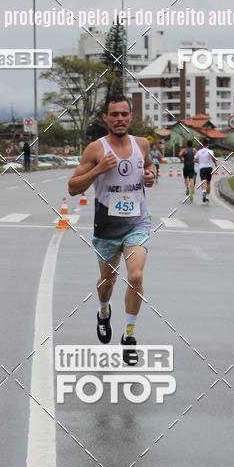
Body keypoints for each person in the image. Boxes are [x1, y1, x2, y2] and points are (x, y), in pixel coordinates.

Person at [68, 95, 155, 365]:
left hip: (137, 223)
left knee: (136, 276)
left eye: (124, 114)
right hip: (107, 227)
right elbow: (73, 187)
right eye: (114, 114)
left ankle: (129, 336)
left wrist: (151, 175)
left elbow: (149, 167)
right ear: (105, 118)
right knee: (107, 283)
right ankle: (104, 311)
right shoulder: (95, 149)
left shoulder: (142, 144)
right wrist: (99, 170)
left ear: (131, 116)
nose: (119, 119)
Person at [194, 137, 215, 203]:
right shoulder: (210, 151)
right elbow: (213, 158)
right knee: (208, 182)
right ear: (208, 144)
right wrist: (216, 163)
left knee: (203, 181)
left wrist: (199, 162)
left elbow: (194, 160)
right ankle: (207, 196)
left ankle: (204, 191)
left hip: (202, 168)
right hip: (209, 168)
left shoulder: (199, 152)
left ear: (202, 144)